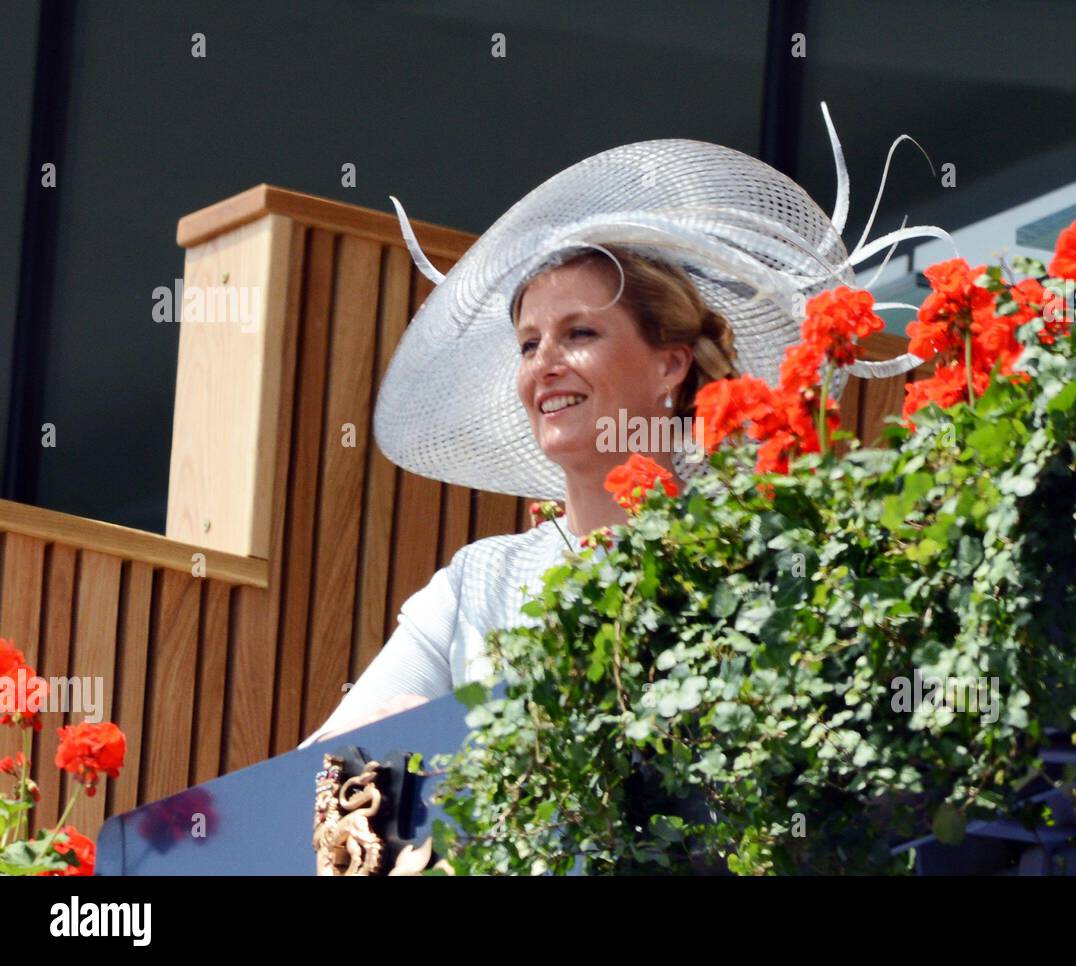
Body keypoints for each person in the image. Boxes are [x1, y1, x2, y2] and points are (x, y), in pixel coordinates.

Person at [300, 105, 951, 746]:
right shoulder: (477, 583)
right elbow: (308, 780)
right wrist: (407, 734)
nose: (544, 365)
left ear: (670, 364)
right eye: (529, 345)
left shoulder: (761, 550)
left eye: (578, 333)